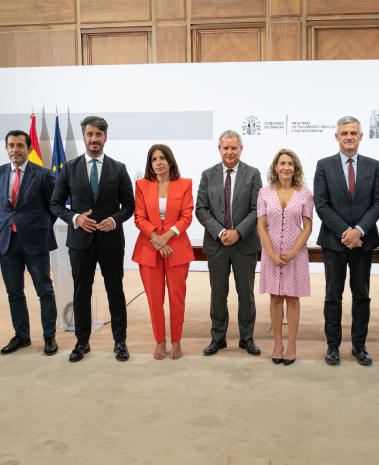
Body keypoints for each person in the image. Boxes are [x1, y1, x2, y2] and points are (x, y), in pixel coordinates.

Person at [50, 116, 135, 362]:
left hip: (110, 242)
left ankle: (120, 342)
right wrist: (76, 218)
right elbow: (56, 204)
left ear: (105, 137)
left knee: (115, 292)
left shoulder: (119, 168)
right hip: (80, 241)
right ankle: (82, 342)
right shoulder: (69, 168)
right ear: (84, 137)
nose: (94, 139)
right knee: (81, 293)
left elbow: (129, 205)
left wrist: (115, 219)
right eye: (90, 134)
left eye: (99, 134)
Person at [314, 116, 379, 366]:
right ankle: (333, 346)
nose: (349, 137)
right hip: (334, 242)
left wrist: (359, 231)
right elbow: (321, 204)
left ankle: (359, 345)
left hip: (363, 243)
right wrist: (346, 232)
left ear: (361, 136)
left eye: (353, 133)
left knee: (361, 295)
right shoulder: (324, 165)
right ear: (336, 137)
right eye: (344, 133)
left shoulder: (373, 165)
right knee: (333, 295)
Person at [0, 130, 59, 356]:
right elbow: (0, 207)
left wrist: (36, 225)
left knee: (44, 290)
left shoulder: (43, 174)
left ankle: (49, 336)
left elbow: (53, 208)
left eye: (20, 145)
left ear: (29, 149)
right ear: (6, 148)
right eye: (11, 145)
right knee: (14, 293)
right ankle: (22, 336)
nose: (15, 149)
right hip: (8, 242)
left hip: (36, 241)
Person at [195, 129, 263, 356]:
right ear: (219, 149)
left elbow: (257, 209)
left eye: (234, 147)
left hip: (244, 244)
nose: (230, 152)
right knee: (218, 294)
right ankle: (218, 338)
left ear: (241, 149)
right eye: (226, 147)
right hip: (217, 244)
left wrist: (238, 232)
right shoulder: (208, 174)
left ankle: (247, 338)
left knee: (246, 294)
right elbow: (201, 209)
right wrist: (222, 231)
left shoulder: (253, 174)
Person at [132, 144, 194, 360]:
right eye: (153, 159)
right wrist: (157, 240)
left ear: (170, 161)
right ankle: (160, 340)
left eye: (162, 158)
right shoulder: (141, 185)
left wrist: (166, 237)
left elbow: (186, 216)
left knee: (177, 298)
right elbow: (139, 217)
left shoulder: (184, 184)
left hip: (176, 248)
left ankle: (176, 340)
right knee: (154, 299)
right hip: (149, 249)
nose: (157, 163)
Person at [257, 149, 313, 366]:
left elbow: (307, 227)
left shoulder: (304, 194)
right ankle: (278, 344)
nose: (286, 167)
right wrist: (270, 253)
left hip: (295, 254)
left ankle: (291, 344)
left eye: (290, 163)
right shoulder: (264, 192)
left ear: (295, 168)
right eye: (282, 163)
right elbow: (261, 226)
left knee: (292, 298)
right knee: (275, 298)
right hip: (271, 253)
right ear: (275, 167)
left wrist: (294, 252)